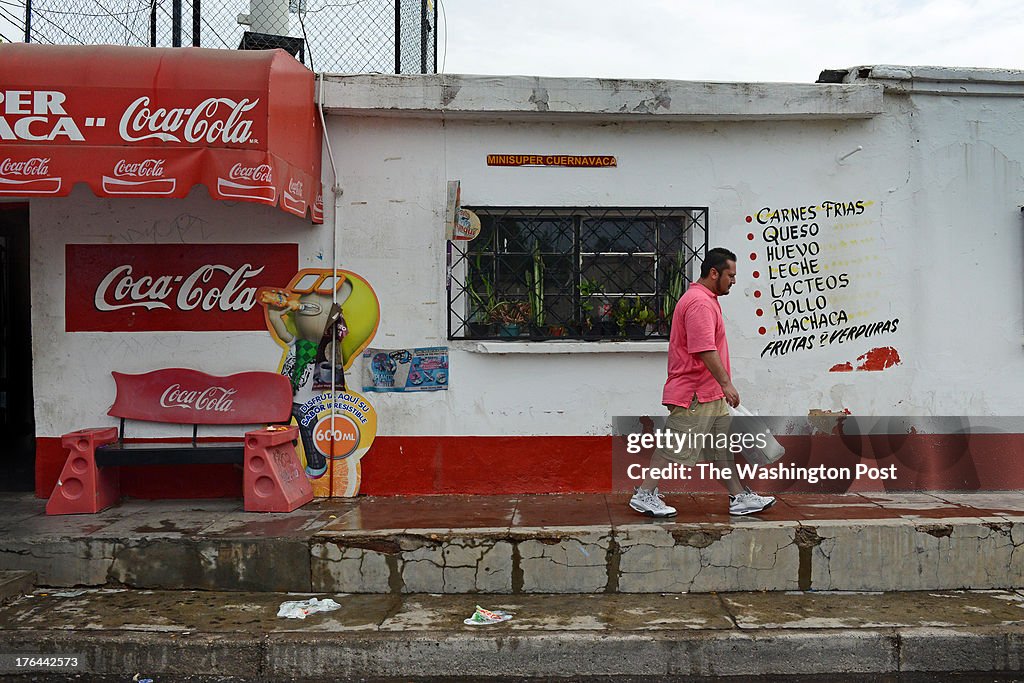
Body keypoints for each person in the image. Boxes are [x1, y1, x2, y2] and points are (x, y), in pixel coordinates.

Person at [629, 247, 776, 517]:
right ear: (713, 272)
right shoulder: (699, 302)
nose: (733, 281)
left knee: (720, 449)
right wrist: (726, 383)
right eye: (730, 275)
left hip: (709, 393)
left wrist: (720, 387)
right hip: (695, 393)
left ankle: (739, 498)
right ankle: (644, 494)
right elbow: (704, 348)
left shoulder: (707, 299)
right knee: (673, 445)